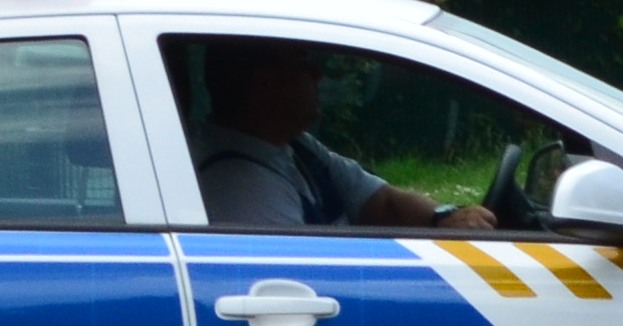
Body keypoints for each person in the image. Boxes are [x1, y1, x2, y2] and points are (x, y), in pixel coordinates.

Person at [187, 40, 495, 232]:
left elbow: (382, 202)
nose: (318, 74)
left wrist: (443, 218)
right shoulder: (245, 187)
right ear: (264, 84)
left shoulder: (295, 146)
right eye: (303, 65)